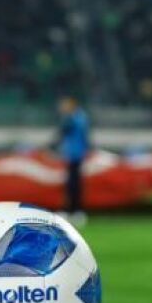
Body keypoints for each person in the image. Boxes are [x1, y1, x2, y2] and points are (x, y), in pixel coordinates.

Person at [55, 96, 90, 226]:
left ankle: (73, 211)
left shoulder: (75, 117)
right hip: (73, 154)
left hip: (75, 154)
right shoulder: (80, 117)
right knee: (73, 184)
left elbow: (63, 131)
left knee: (73, 184)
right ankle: (74, 211)